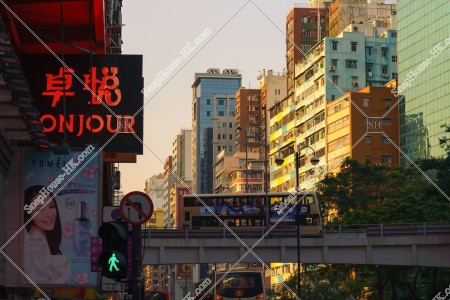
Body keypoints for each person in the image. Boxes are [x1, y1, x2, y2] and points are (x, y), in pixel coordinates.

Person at [23, 185, 71, 284]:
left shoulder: (44, 240)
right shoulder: (34, 242)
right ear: (28, 214)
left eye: (51, 206)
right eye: (40, 210)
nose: (49, 214)